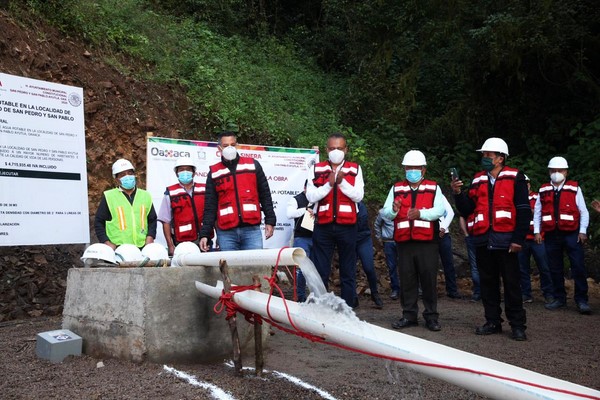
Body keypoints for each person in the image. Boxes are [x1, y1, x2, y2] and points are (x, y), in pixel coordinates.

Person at [452, 137, 529, 341]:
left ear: (500, 158)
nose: (484, 158)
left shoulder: (516, 177)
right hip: (483, 239)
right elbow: (467, 209)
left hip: (507, 241)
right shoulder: (477, 179)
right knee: (488, 283)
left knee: (512, 283)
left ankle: (518, 325)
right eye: (483, 155)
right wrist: (458, 193)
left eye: (488, 155)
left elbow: (523, 210)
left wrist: (518, 239)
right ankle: (493, 321)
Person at [383, 150, 445, 332]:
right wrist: (394, 210)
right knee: (407, 280)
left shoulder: (434, 187)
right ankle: (408, 315)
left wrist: (421, 213)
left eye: (415, 168)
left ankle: (431, 317)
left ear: (423, 170)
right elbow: (385, 212)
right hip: (404, 243)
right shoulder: (396, 188)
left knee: (428, 280)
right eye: (408, 168)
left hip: (427, 242)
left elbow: (439, 210)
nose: (411, 171)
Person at [306, 132, 364, 308]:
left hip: (348, 226)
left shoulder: (355, 169)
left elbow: (358, 196)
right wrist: (328, 184)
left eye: (339, 148)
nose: (335, 151)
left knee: (348, 269)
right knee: (321, 269)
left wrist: (342, 182)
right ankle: (320, 305)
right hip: (323, 225)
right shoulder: (316, 169)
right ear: (326, 150)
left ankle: (347, 307)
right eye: (332, 148)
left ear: (346, 149)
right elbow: (310, 195)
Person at [199, 132, 276, 251]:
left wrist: (270, 220)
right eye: (225, 145)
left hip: (251, 230)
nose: (229, 148)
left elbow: (265, 194)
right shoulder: (214, 172)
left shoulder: (252, 165)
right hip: (226, 232)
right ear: (219, 148)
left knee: (254, 267)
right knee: (229, 269)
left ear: (237, 145)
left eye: (232, 144)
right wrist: (204, 234)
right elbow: (210, 206)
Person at [534, 156, 591, 314]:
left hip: (572, 234)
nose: (556, 173)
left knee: (578, 266)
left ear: (566, 172)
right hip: (552, 235)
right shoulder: (544, 189)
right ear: (549, 171)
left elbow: (583, 212)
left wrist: (582, 231)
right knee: (555, 268)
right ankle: (560, 298)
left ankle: (582, 300)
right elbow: (537, 212)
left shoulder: (574, 188)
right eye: (553, 170)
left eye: (560, 170)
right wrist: (537, 231)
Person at [94, 158, 157, 249]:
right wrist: (106, 243)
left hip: (142, 247)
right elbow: (99, 222)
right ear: (116, 179)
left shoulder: (145, 195)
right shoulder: (109, 196)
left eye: (130, 173)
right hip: (118, 248)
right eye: (122, 174)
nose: (127, 176)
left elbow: (152, 220)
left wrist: (150, 237)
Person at [157, 157, 211, 256]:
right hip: (182, 243)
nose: (185, 172)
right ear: (176, 173)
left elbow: (213, 215)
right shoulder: (170, 193)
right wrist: (170, 245)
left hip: (205, 240)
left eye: (188, 169)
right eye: (181, 170)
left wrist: (219, 238)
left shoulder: (204, 189)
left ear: (194, 173)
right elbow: (166, 221)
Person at [518, 175, 554, 304]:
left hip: (537, 238)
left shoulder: (537, 196)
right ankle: (526, 293)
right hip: (522, 239)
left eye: (526, 183)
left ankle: (548, 293)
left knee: (544, 267)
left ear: (529, 184)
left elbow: (542, 213)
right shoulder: (514, 199)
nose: (525, 185)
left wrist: (530, 211)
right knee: (522, 268)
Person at [286, 180, 314, 302]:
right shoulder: (296, 199)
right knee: (302, 268)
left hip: (317, 237)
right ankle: (300, 296)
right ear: (304, 187)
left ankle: (314, 296)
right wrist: (305, 210)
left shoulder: (318, 200)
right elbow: (289, 214)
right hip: (301, 237)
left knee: (317, 268)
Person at [356, 201, 384, 308]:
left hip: (363, 239)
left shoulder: (360, 205)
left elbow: (361, 220)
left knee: (369, 268)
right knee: (348, 269)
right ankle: (352, 296)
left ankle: (374, 293)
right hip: (348, 240)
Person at [374, 206, 400, 300]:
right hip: (388, 242)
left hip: (402, 242)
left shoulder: (404, 210)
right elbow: (377, 225)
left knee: (406, 266)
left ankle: (408, 289)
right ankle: (395, 289)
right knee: (391, 266)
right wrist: (379, 238)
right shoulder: (383, 212)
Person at [438, 196, 461, 299]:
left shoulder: (440, 196)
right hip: (427, 234)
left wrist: (443, 227)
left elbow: (450, 212)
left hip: (443, 234)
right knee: (426, 264)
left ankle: (452, 289)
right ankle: (425, 290)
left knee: (448, 262)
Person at [459, 216, 481, 302]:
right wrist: (466, 234)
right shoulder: (469, 204)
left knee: (486, 266)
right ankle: (478, 292)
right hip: (472, 237)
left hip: (485, 237)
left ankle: (483, 292)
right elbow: (462, 216)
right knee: (475, 266)